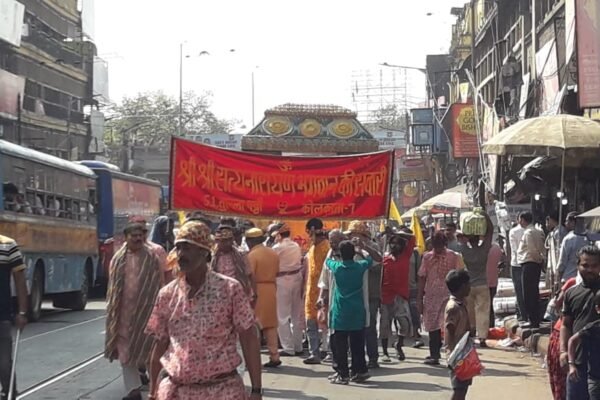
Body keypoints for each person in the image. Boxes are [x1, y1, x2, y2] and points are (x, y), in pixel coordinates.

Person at [145, 221, 263, 400]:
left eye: (187, 248)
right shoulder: (167, 294)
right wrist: (153, 390)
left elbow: (249, 338)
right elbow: (160, 344)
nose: (181, 255)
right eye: (179, 248)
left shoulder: (230, 289)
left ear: (204, 251)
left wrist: (256, 390)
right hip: (176, 392)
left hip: (223, 391)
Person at [105, 222, 164, 400]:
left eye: (141, 235)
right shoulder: (118, 259)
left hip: (147, 313)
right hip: (124, 314)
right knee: (125, 351)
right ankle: (133, 390)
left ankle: (156, 389)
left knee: (151, 351)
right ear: (126, 238)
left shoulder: (152, 257)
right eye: (134, 236)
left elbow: (157, 284)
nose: (138, 238)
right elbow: (113, 288)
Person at [326, 239, 373, 385]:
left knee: (340, 346)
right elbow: (370, 259)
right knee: (357, 344)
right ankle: (360, 371)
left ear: (340, 254)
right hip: (357, 312)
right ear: (353, 254)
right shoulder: (360, 266)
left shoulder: (337, 267)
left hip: (341, 313)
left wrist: (332, 251)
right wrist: (361, 250)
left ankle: (343, 374)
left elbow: (327, 260)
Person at [417, 231, 464, 365]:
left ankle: (453, 355)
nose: (437, 248)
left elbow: (460, 275)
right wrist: (420, 298)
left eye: (439, 245)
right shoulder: (427, 257)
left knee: (450, 325)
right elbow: (422, 277)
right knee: (433, 326)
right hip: (431, 296)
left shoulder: (454, 256)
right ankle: (434, 355)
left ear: (445, 244)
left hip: (449, 296)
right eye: (435, 245)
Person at [560, 246, 600, 400]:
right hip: (577, 362)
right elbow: (566, 325)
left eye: (594, 265)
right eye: (585, 265)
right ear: (578, 265)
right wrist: (563, 352)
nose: (589, 269)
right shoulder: (571, 293)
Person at [346, 220, 383, 369]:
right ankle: (355, 357)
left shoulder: (372, 247)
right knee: (352, 327)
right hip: (353, 293)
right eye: (351, 236)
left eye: (355, 235)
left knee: (370, 326)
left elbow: (379, 262)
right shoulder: (347, 248)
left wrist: (363, 248)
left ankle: (373, 357)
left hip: (370, 293)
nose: (353, 239)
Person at [245, 228, 281, 368]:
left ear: (251, 241)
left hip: (257, 290)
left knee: (254, 325)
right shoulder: (273, 253)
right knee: (271, 324)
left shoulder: (252, 255)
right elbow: (277, 272)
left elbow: (250, 276)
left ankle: (253, 358)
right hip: (271, 288)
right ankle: (274, 355)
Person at [458, 212, 494, 346]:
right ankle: (483, 337)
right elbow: (490, 233)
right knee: (483, 311)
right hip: (482, 285)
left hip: (468, 286)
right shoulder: (483, 250)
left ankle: (471, 333)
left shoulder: (464, 250)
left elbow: (459, 237)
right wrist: (485, 216)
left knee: (469, 312)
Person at [380, 230, 415, 362]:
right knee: (384, 326)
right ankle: (384, 352)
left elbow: (412, 238)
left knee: (405, 325)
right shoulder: (384, 259)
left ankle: (399, 344)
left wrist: (394, 232)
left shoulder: (406, 255)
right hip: (386, 296)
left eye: (397, 243)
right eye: (392, 243)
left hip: (401, 296)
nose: (394, 246)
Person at [0, 235, 28, 400]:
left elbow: (20, 280)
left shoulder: (7, 245)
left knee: (4, 364)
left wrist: (22, 312)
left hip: (2, 315)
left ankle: (9, 394)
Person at [271, 223, 305, 357]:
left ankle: (288, 347)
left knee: (282, 315)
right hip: (296, 277)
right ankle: (298, 346)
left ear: (279, 235)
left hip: (282, 280)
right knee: (296, 314)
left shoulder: (276, 248)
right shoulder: (296, 246)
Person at [304, 218, 330, 364]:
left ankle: (327, 351)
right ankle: (314, 353)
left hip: (323, 292)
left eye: (310, 233)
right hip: (310, 291)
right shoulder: (312, 248)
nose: (309, 236)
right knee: (311, 323)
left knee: (325, 324)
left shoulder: (327, 248)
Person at [444, 269, 473, 400]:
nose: (470, 287)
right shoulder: (453, 307)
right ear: (462, 286)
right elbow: (449, 329)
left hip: (464, 352)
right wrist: (452, 355)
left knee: (463, 389)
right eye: (468, 284)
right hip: (457, 355)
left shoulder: (462, 304)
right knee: (459, 390)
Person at [547, 277, 577, 400]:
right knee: (562, 385)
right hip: (563, 338)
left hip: (587, 341)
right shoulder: (574, 283)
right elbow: (556, 304)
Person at [568, 292, 600, 400]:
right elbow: (572, 341)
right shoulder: (593, 328)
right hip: (596, 379)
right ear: (598, 309)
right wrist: (571, 365)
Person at [517, 211, 546, 329]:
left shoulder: (528, 232)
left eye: (519, 219)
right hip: (535, 264)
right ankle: (534, 319)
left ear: (523, 220)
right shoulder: (538, 231)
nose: (518, 222)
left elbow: (532, 250)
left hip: (529, 263)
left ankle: (532, 320)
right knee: (533, 292)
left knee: (528, 293)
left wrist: (538, 259)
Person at [558, 213, 590, 283]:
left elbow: (562, 261)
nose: (565, 223)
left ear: (573, 222)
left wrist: (559, 275)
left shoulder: (568, 239)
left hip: (569, 278)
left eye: (567, 221)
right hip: (585, 278)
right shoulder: (589, 238)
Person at [508, 220, 527, 323]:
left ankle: (523, 316)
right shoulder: (533, 230)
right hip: (528, 262)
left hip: (516, 263)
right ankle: (527, 315)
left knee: (519, 291)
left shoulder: (514, 231)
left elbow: (514, 249)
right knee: (528, 290)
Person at [486, 240, 504, 328]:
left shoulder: (478, 249)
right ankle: (491, 327)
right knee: (489, 306)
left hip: (480, 282)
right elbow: (501, 261)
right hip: (493, 282)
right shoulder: (496, 248)